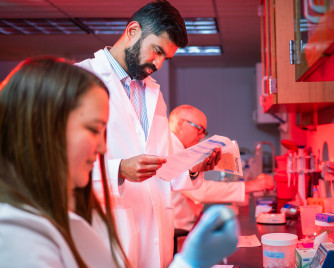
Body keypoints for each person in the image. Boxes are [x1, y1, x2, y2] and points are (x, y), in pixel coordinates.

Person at [0, 57, 238, 268]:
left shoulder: (65, 210)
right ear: (40, 129)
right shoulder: (15, 235)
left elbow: (166, 172)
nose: (103, 147)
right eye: (94, 129)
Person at [75, 1, 221, 267]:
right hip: (107, 236)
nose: (159, 64)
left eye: (166, 57)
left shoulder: (153, 93)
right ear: (132, 30)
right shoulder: (79, 79)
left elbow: (163, 165)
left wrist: (191, 168)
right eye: (157, 51)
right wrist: (118, 170)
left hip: (157, 237)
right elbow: (53, 164)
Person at [169, 105, 275, 233]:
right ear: (180, 124)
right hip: (177, 229)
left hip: (185, 224)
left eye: (204, 132)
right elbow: (199, 192)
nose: (202, 136)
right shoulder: (171, 150)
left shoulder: (179, 149)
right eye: (199, 129)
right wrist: (249, 186)